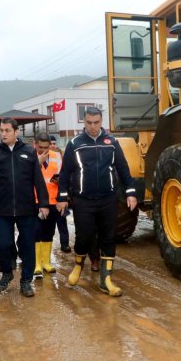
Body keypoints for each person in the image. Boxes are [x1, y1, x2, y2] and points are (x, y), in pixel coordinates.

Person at [56, 107, 137, 297]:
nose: (93, 127)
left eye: (96, 123)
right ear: (84, 122)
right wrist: (62, 198)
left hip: (108, 199)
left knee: (109, 237)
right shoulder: (75, 143)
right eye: (89, 123)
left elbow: (123, 169)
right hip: (83, 200)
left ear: (102, 122)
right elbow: (65, 173)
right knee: (84, 236)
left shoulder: (111, 142)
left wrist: (131, 193)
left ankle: (106, 279)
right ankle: (78, 265)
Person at [0, 118, 50, 297]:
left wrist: (43, 203)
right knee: (4, 244)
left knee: (28, 244)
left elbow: (38, 180)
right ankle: (7, 273)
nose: (3, 133)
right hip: (2, 209)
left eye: (7, 130)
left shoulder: (29, 152)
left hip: (27, 208)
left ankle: (26, 280)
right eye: (1, 130)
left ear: (16, 132)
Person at [33, 132, 61, 279]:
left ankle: (46, 262)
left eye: (46, 147)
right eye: (40, 147)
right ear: (35, 144)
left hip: (52, 201)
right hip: (35, 201)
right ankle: (37, 264)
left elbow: (63, 175)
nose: (43, 150)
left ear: (50, 145)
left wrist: (59, 182)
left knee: (49, 232)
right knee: (36, 232)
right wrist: (37, 161)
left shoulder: (57, 156)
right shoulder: (30, 157)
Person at [50, 135, 72, 253]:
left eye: (54, 143)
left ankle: (65, 243)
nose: (53, 145)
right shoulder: (42, 157)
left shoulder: (61, 156)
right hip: (48, 196)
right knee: (49, 224)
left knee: (62, 221)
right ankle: (48, 244)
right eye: (51, 143)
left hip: (60, 195)